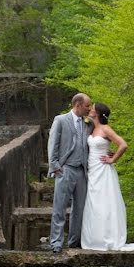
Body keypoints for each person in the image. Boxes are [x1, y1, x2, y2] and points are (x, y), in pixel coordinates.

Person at [81, 102, 134, 251]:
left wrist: (113, 159)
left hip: (103, 168)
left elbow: (123, 144)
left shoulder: (106, 129)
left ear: (98, 113)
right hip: (92, 169)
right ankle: (95, 238)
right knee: (93, 202)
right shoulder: (92, 128)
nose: (90, 109)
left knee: (105, 201)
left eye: (93, 108)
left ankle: (108, 238)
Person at [47, 93, 92, 253]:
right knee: (59, 207)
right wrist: (54, 165)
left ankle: (74, 241)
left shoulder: (88, 123)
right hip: (65, 169)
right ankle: (56, 243)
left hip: (82, 170)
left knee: (80, 208)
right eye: (87, 105)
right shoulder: (60, 120)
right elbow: (53, 143)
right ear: (78, 104)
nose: (90, 108)